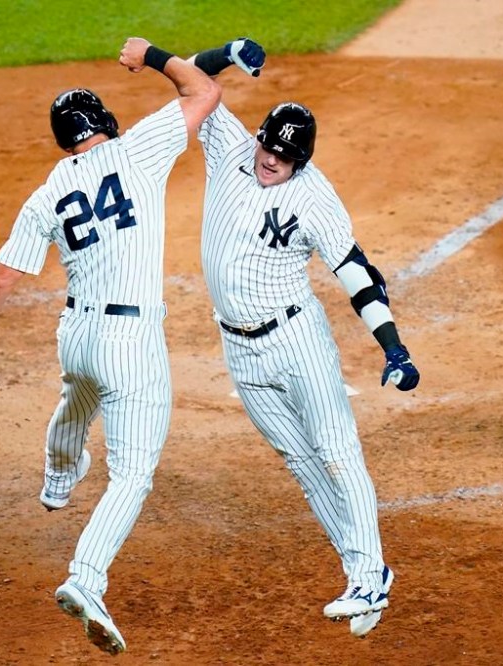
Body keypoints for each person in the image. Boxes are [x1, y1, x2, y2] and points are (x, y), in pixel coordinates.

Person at [0, 38, 221, 655]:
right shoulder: (139, 150)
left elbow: (0, 279)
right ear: (104, 125)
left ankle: (56, 476)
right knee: (132, 475)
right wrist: (153, 56)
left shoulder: (46, 193)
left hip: (76, 334)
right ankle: (87, 579)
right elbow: (201, 90)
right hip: (131, 340)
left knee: (77, 396)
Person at [188, 39, 420, 638]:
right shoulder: (231, 148)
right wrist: (228, 52)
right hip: (239, 347)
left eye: (284, 157)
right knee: (299, 458)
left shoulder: (315, 198)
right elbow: (190, 79)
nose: (269, 161)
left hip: (297, 340)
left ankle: (369, 574)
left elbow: (357, 274)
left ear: (303, 162)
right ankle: (366, 574)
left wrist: (393, 346)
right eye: (268, 146)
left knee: (338, 450)